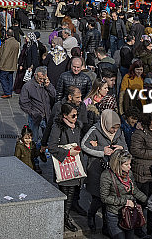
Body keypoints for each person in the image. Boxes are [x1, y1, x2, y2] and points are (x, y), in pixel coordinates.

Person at [81, 109, 128, 232]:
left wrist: (121, 148)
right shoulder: (95, 130)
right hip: (97, 169)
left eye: (117, 128)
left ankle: (107, 226)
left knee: (108, 199)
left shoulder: (119, 133)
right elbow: (84, 146)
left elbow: (126, 148)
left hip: (112, 171)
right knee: (97, 198)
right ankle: (91, 215)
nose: (114, 131)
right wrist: (102, 151)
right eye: (113, 128)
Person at [47, 103, 84, 232]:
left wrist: (78, 149)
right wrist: (68, 153)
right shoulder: (58, 127)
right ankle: (63, 218)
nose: (75, 117)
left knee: (71, 192)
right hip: (63, 164)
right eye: (73, 115)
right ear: (64, 116)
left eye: (76, 115)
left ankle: (65, 217)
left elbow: (78, 142)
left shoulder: (77, 126)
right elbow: (51, 147)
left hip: (74, 164)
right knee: (64, 192)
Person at [99, 149, 147, 239]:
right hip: (114, 214)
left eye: (130, 164)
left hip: (129, 212)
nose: (129, 167)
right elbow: (104, 198)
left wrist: (148, 200)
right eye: (126, 164)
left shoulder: (129, 174)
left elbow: (135, 191)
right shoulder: (106, 175)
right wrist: (125, 201)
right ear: (117, 164)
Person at [19, 65, 56, 160]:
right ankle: (34, 161)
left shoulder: (46, 84)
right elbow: (23, 102)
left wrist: (49, 86)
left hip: (47, 116)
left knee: (46, 139)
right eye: (40, 78)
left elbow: (54, 96)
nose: (41, 80)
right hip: (35, 117)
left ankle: (41, 152)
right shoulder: (28, 86)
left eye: (43, 78)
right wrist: (32, 112)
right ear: (35, 75)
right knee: (33, 139)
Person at [0, 29, 19, 98]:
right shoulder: (16, 42)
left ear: (7, 35)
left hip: (6, 64)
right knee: (10, 78)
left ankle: (7, 92)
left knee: (2, 77)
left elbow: (4, 55)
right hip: (12, 63)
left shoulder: (7, 42)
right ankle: (9, 91)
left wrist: (0, 65)